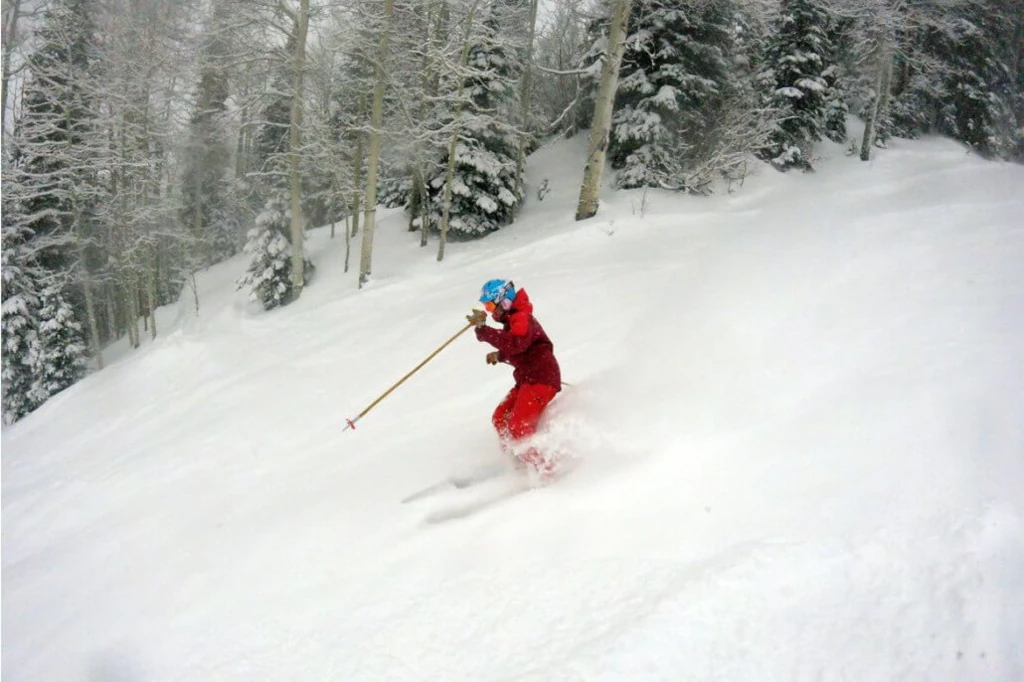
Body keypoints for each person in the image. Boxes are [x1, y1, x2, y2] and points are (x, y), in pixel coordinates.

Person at [467, 279, 562, 474]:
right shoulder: (511, 321)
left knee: (518, 424)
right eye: (486, 306)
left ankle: (545, 469)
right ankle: (519, 461)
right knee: (500, 417)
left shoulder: (521, 317)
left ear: (504, 301)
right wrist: (499, 355)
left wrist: (484, 330)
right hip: (527, 379)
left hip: (541, 379)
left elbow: (517, 343)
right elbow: (516, 348)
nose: (489, 310)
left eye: (490, 305)